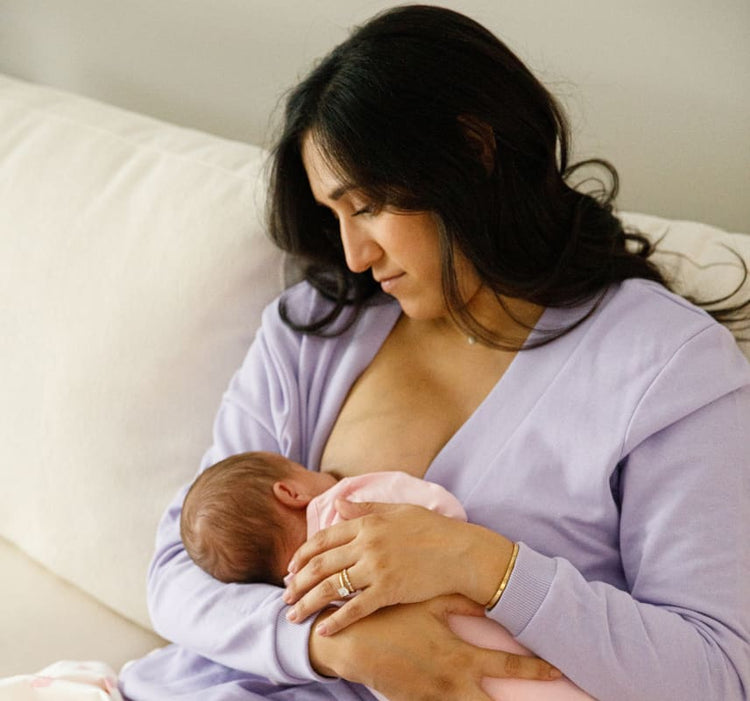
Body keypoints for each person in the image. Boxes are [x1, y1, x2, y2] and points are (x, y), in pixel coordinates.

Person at [119, 5, 750, 701]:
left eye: (367, 206)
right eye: (335, 215)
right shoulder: (314, 328)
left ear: (474, 149)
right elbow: (179, 570)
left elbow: (716, 673)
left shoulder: (667, 366)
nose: (356, 255)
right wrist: (334, 644)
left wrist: (484, 563)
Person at [178, 450, 595, 701]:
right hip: (485, 630)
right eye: (299, 466)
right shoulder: (349, 503)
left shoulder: (300, 599)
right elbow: (443, 510)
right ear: (290, 492)